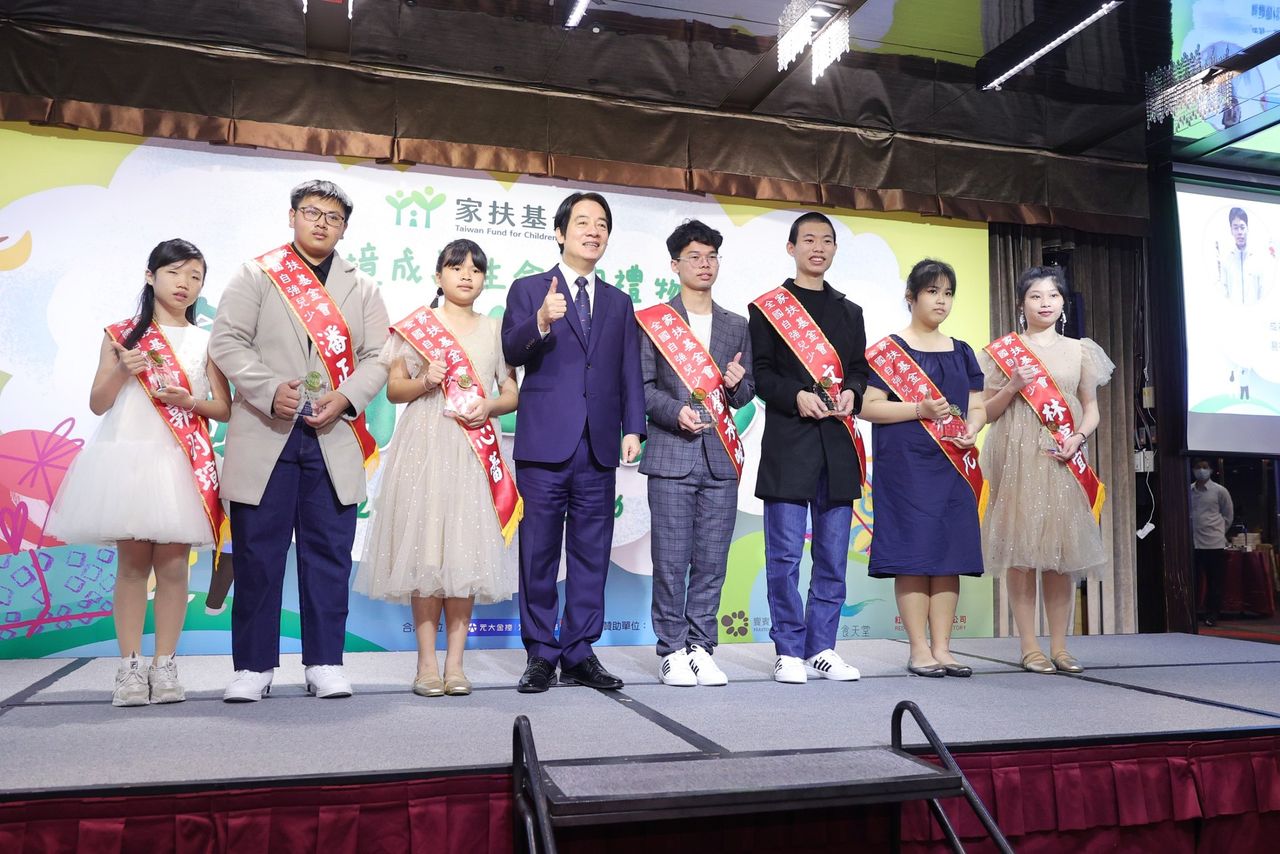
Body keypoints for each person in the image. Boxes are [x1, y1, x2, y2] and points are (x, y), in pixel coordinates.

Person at [210, 179, 389, 702]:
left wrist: (347, 396)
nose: (322, 224)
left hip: (333, 434)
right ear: (292, 216)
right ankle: (253, 668)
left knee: (329, 555)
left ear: (344, 229)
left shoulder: (363, 286)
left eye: (334, 218)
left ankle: (325, 663)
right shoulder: (258, 273)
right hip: (266, 431)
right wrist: (269, 390)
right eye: (312, 213)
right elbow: (226, 340)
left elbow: (378, 356)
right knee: (257, 556)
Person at [46, 239, 231, 706]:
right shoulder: (122, 335)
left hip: (179, 463)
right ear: (151, 276)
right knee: (131, 567)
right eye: (174, 272)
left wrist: (191, 402)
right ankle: (128, 668)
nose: (184, 283)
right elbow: (98, 403)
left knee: (173, 568)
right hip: (127, 460)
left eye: (195, 276)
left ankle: (164, 666)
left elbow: (223, 408)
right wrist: (122, 371)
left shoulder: (206, 341)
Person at [355, 240, 519, 696]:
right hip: (424, 445)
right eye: (456, 266)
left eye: (475, 269)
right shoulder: (416, 328)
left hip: (472, 447)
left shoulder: (495, 329)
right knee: (426, 552)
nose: (466, 275)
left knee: (464, 552)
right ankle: (426, 665)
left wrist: (489, 406)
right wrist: (425, 380)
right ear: (438, 276)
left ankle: (456, 666)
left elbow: (511, 393)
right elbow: (394, 391)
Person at [501, 191, 645, 693]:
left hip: (598, 446)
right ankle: (541, 653)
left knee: (591, 552)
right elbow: (510, 349)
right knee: (538, 552)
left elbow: (629, 370)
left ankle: (580, 651)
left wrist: (633, 427)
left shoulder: (619, 302)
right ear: (560, 233)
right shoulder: (528, 289)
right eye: (582, 222)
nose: (593, 231)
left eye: (601, 223)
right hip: (544, 444)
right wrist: (541, 320)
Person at [747, 211, 869, 685]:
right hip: (789, 445)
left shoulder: (850, 312)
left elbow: (858, 370)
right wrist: (795, 395)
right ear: (791, 247)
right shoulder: (769, 309)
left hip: (838, 447)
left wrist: (852, 392)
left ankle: (822, 647)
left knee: (833, 559)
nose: (818, 248)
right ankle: (788, 649)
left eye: (827, 241)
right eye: (809, 239)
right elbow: (761, 374)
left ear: (834, 249)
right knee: (783, 559)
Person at [980, 266, 1114, 674]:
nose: (1045, 303)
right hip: (1017, 457)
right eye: (1035, 296)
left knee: (1061, 555)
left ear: (1063, 302)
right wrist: (1012, 385)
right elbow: (986, 412)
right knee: (1021, 553)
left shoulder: (1080, 350)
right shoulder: (1005, 351)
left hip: (1062, 456)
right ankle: (1028, 647)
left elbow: (1090, 408)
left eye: (1052, 296)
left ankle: (1060, 647)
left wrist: (1080, 437)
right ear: (1021, 303)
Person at [638, 220, 754, 687]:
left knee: (712, 561)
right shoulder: (654, 322)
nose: (705, 265)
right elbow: (642, 387)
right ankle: (671, 650)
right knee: (670, 561)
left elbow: (746, 392)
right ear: (675, 265)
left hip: (720, 459)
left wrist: (737, 384)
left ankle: (701, 648)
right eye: (694, 257)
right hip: (671, 455)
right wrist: (674, 412)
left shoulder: (736, 325)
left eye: (711, 257)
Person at [860, 259, 985, 677]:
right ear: (911, 297)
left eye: (948, 293)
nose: (941, 301)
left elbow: (978, 406)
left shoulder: (962, 351)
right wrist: (919, 409)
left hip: (953, 465)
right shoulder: (890, 352)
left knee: (949, 555)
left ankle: (943, 649)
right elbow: (868, 407)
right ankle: (918, 650)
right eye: (932, 291)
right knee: (913, 555)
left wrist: (973, 428)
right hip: (906, 468)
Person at [1190, 458, 1234, 627]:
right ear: (1193, 469)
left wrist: (1219, 531)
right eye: (1198, 467)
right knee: (1193, 581)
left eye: (1205, 467)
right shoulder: (1189, 490)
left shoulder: (1219, 491)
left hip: (1214, 543)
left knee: (1214, 582)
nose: (1201, 470)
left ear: (1210, 469)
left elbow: (1228, 515)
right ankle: (1192, 613)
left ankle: (1212, 614)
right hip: (1193, 542)